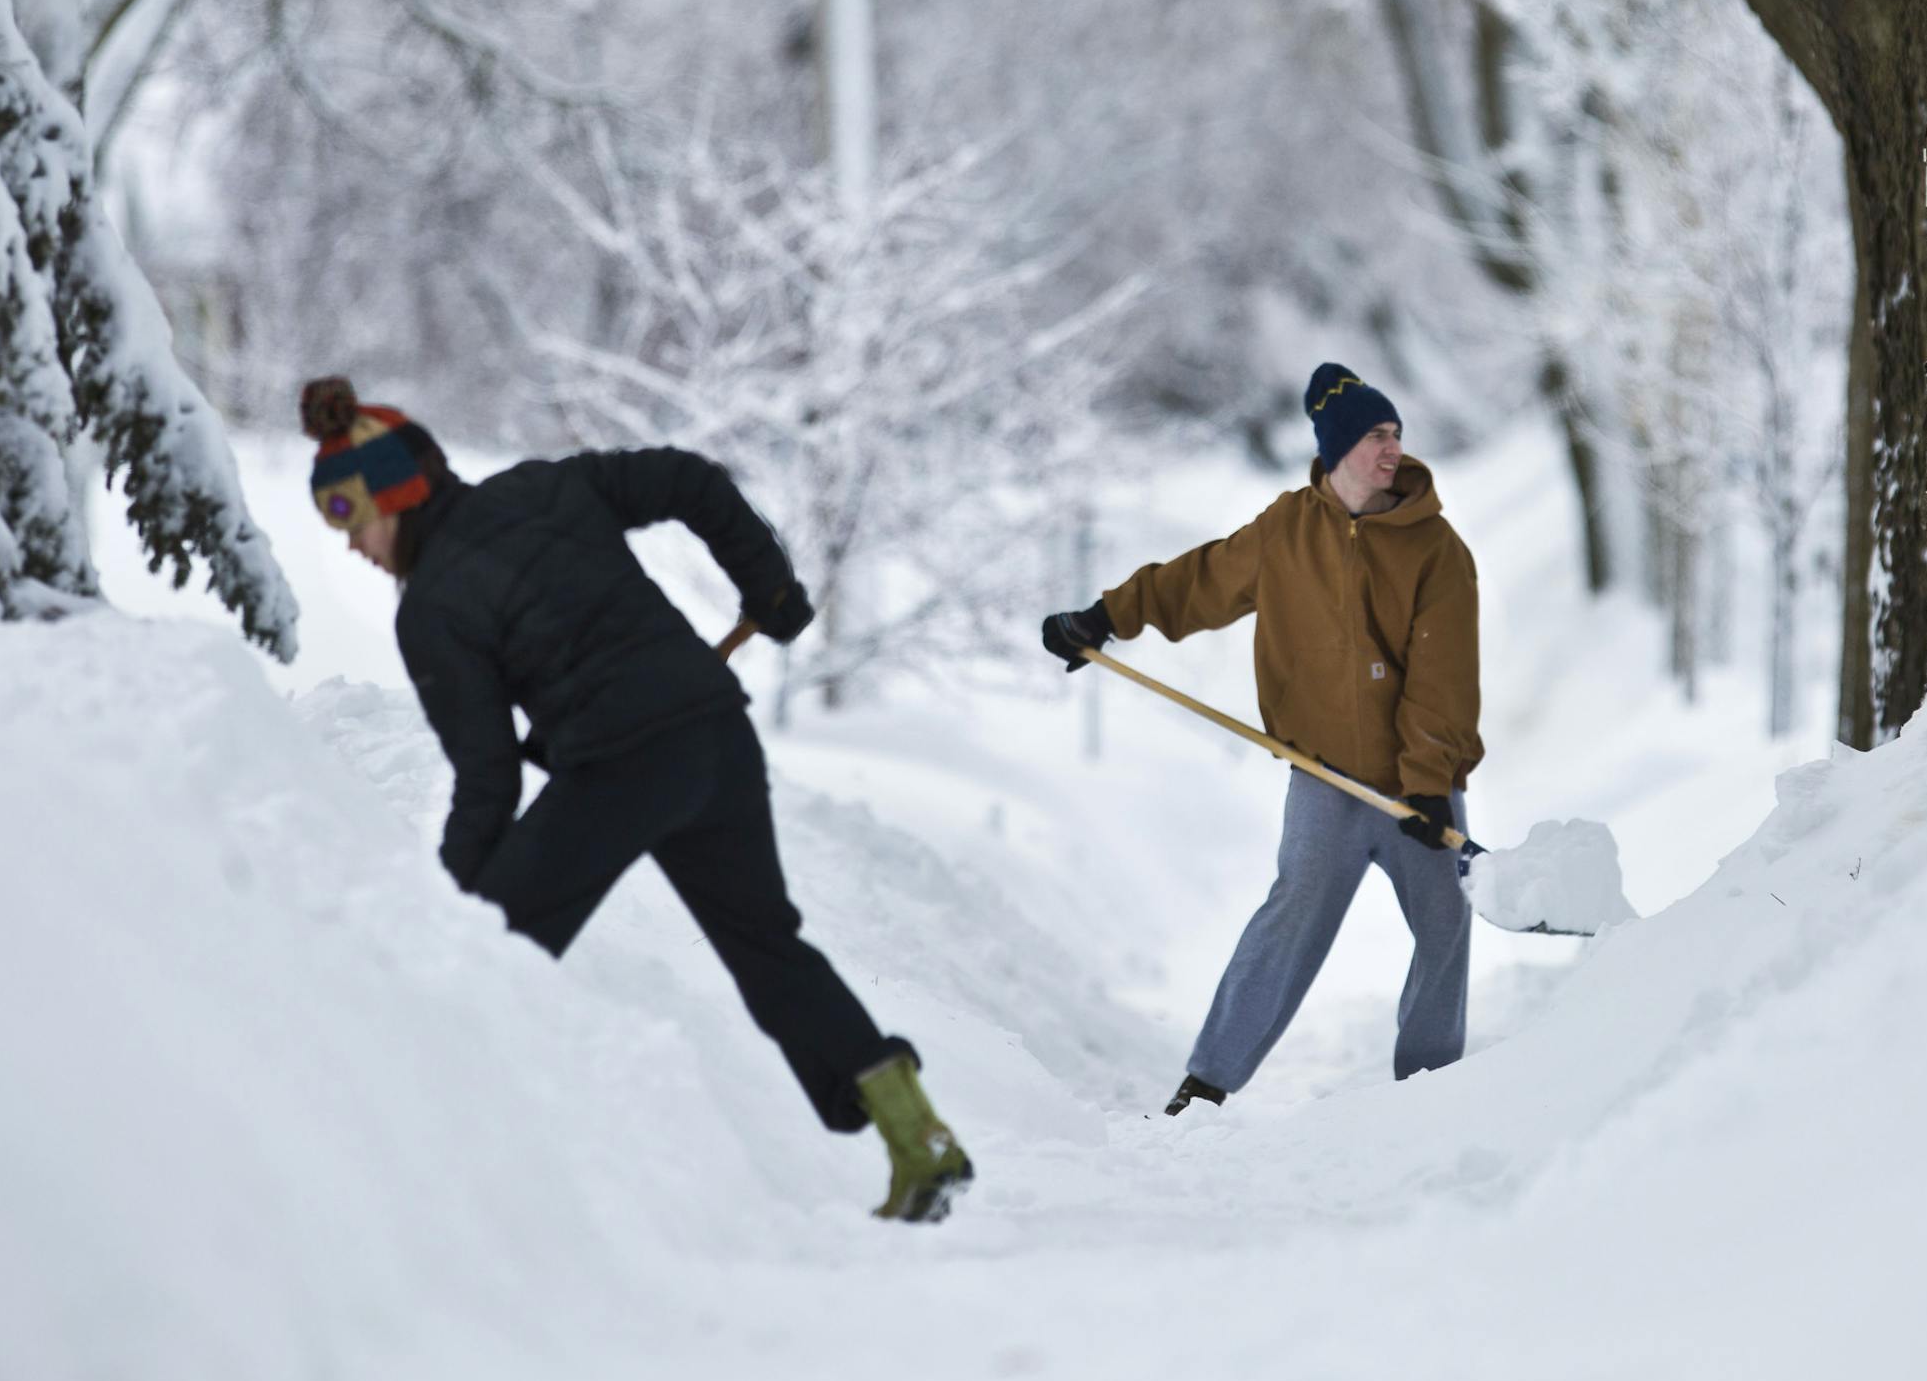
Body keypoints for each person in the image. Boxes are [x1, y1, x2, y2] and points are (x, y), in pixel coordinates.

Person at [298, 376, 973, 1222]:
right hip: (715, 737)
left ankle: (446, 1175)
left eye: (350, 520)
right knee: (769, 949)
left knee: (487, 955)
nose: (354, 547)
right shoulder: (543, 487)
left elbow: (488, 779)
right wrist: (767, 588)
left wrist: (454, 909)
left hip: (621, 769)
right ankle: (916, 1135)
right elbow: (690, 479)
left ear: (393, 497)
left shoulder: (430, 609)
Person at [1042, 362, 1481, 1108]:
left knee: (1446, 929)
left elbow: (1443, 679)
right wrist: (1105, 618)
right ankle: (1206, 1082)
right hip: (1324, 781)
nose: (1392, 449)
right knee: (1289, 923)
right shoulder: (1287, 530)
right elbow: (1200, 580)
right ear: (1340, 448)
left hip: (1418, 788)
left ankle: (1429, 1092)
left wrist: (1429, 783)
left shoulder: (1436, 549)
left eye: (1397, 435)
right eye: (1377, 434)